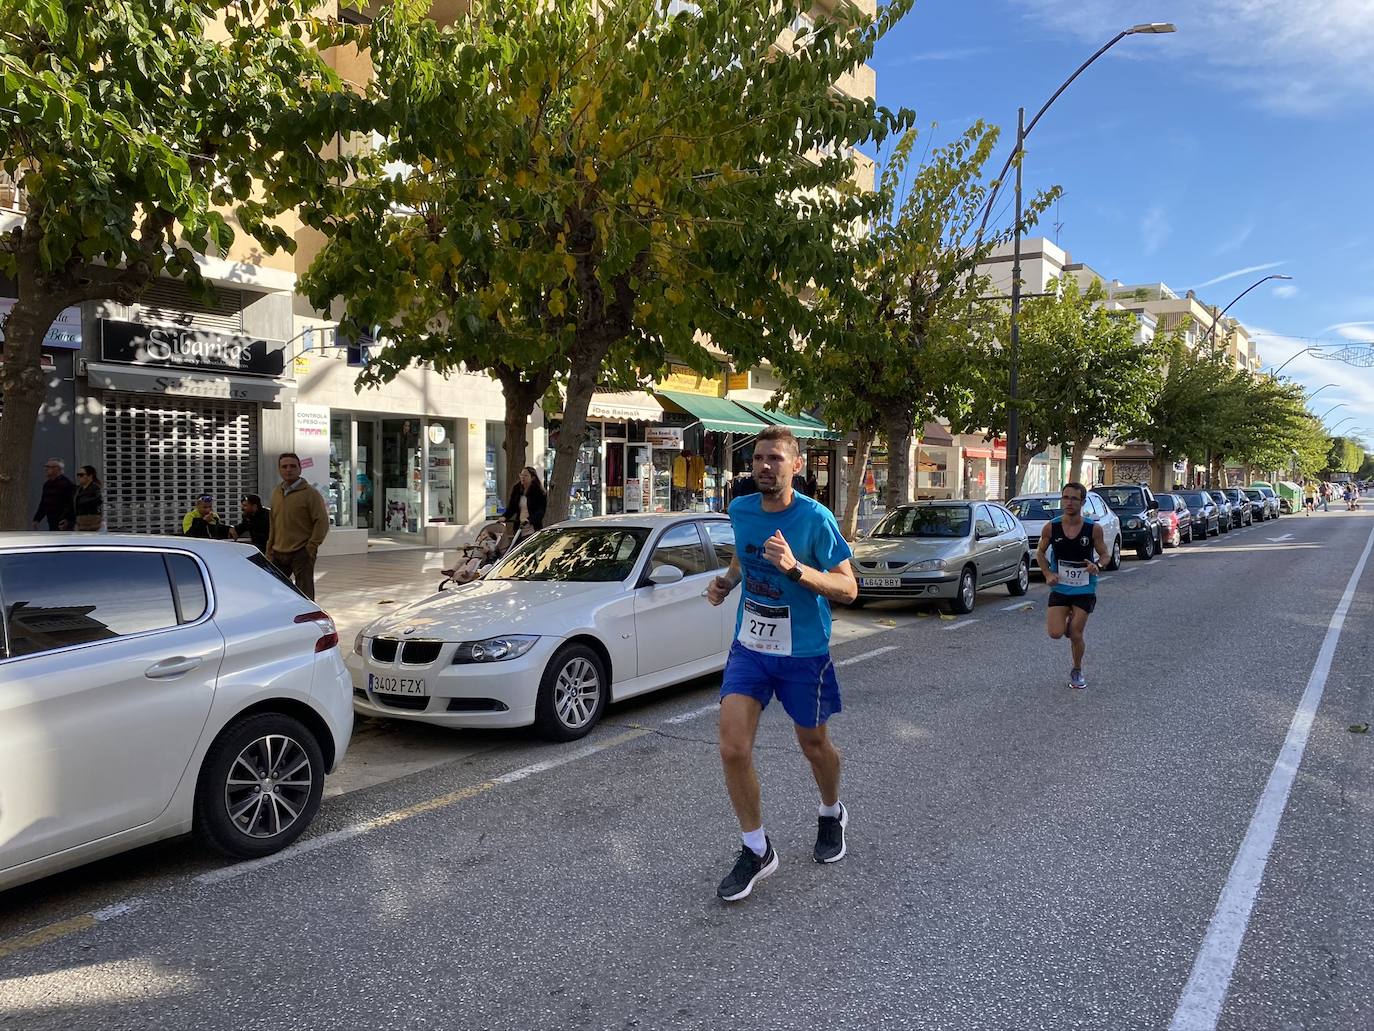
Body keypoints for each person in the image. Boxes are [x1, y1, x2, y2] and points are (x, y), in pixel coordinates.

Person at [704, 425, 857, 902]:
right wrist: (727, 583)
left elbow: (849, 588)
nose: (764, 467)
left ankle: (832, 811)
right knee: (732, 747)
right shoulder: (741, 509)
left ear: (796, 466)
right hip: (750, 645)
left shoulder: (815, 519)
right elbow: (743, 555)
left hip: (803, 651)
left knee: (814, 745)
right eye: (758, 459)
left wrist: (795, 568)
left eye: (775, 459)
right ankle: (756, 848)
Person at [1037, 481, 1111, 691]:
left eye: (1074, 498)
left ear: (1083, 502)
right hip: (1060, 587)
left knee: (1076, 633)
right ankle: (1067, 621)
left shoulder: (1092, 529)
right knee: (1055, 633)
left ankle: (1077, 669)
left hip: (1084, 588)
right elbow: (1040, 553)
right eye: (1065, 497)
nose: (1069, 502)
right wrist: (1047, 573)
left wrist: (1097, 565)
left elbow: (1105, 554)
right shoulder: (1051, 527)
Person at [267, 452, 330, 600]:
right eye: (284, 466)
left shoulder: (311, 494)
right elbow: (273, 521)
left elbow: (322, 522)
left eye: (293, 466)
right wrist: (269, 548)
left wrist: (310, 547)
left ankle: (307, 620)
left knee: (304, 592)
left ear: (300, 469)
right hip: (278, 552)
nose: (288, 469)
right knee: (275, 589)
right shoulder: (276, 492)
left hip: (301, 552)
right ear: (279, 469)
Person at [31, 458, 76, 530]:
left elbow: (71, 504)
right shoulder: (47, 485)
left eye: (49, 467)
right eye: (45, 467)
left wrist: (68, 520)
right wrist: (37, 519)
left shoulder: (66, 484)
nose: (46, 469)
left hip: (63, 523)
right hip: (52, 521)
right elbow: (44, 503)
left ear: (57, 469)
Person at [505, 466, 547, 534]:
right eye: (521, 475)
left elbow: (541, 511)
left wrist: (529, 520)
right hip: (519, 527)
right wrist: (504, 517)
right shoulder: (517, 489)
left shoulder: (539, 492)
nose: (522, 477)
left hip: (532, 527)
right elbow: (512, 507)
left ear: (532, 477)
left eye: (525, 475)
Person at [73, 466, 104, 531]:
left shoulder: (95, 488)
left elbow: (98, 500)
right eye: (78, 475)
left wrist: (81, 501)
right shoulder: (78, 489)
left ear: (90, 476)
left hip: (93, 522)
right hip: (80, 522)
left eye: (81, 475)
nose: (79, 477)